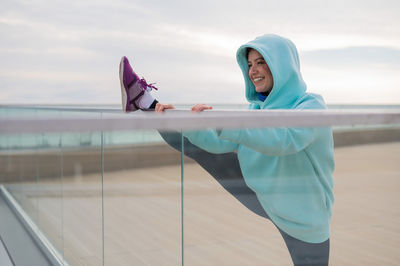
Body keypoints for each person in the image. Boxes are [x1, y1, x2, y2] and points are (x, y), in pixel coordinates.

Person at [119, 34, 335, 266]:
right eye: (250, 64)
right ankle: (145, 102)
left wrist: (225, 123)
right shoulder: (255, 109)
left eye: (261, 62)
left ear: (283, 65)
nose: (253, 71)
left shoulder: (311, 106)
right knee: (198, 147)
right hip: (263, 196)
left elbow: (284, 139)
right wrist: (189, 123)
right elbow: (220, 144)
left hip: (305, 217)